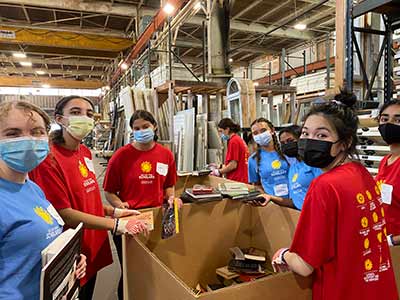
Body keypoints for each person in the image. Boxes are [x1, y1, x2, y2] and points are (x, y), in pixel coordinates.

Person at [272, 91, 398, 299]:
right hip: (378, 289)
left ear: (345, 142)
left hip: (344, 291)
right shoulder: (362, 173)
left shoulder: (324, 186)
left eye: (322, 135)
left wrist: (283, 255)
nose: (310, 141)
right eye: (305, 133)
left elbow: (304, 266)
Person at [29, 96, 148, 300]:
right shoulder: (49, 159)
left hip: (94, 243)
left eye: (89, 114)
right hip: (73, 250)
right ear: (60, 119)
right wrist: (117, 224)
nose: (84, 118)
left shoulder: (84, 151)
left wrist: (114, 211)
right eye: (75, 112)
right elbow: (63, 214)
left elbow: (88, 196)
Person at [0, 101, 86, 299]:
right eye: (13, 133)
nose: (29, 140)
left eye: (37, 131)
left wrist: (69, 260)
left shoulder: (33, 188)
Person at [103, 109, 181, 300]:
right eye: (136, 128)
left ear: (154, 127)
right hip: (130, 220)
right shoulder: (121, 156)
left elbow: (169, 185)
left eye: (145, 126)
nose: (141, 131)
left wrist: (171, 198)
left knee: (154, 267)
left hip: (155, 218)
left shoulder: (166, 155)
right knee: (130, 271)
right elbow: (109, 191)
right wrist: (120, 204)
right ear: (132, 131)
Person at [255, 125, 322, 210]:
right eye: (283, 143)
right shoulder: (292, 169)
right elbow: (294, 202)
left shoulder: (314, 164)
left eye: (290, 141)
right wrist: (270, 197)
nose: (287, 145)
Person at [376, 99, 400, 246]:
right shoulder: (385, 161)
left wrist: (392, 241)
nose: (389, 124)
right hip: (384, 243)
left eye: (398, 120)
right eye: (384, 119)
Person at [248, 118, 291, 198]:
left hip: (295, 201)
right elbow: (256, 185)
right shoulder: (253, 160)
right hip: (273, 204)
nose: (260, 135)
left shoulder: (287, 151)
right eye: (255, 133)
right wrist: (266, 196)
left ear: (272, 130)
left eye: (263, 130)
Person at [212, 118, 249, 183]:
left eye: (221, 131)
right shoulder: (238, 139)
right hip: (242, 178)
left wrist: (218, 172)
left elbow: (233, 165)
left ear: (227, 129)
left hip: (237, 180)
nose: (220, 134)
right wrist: (220, 166)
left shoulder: (233, 141)